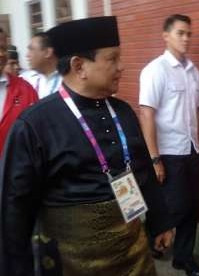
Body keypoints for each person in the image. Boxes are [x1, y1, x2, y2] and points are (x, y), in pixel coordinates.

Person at [0, 16, 173, 276]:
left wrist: (160, 221)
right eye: (112, 59)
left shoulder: (123, 112)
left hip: (134, 255)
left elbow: (143, 170)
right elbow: (15, 207)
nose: (121, 66)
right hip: (70, 261)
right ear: (79, 66)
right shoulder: (35, 125)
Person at [139, 14, 199, 276]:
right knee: (173, 207)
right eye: (181, 33)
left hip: (191, 151)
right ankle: (151, 243)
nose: (186, 38)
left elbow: (196, 112)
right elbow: (147, 114)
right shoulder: (155, 70)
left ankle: (183, 258)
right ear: (166, 36)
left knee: (192, 207)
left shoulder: (193, 71)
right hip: (168, 152)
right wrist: (154, 158)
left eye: (189, 33)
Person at [0, 30, 38, 155]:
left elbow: (38, 135)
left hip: (15, 171)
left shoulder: (25, 90)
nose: (1, 54)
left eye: (3, 48)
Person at [20, 32, 61, 98]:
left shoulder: (67, 79)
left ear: (48, 52)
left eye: (31, 49)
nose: (27, 55)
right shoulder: (24, 79)